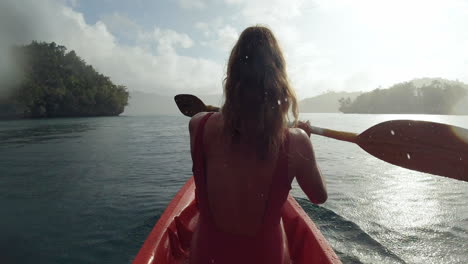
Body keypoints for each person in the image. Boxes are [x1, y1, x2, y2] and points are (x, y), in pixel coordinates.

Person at [188, 26, 327, 264]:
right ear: (278, 79)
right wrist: (303, 146)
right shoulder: (296, 142)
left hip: (206, 256)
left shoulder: (198, 125)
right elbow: (318, 196)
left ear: (232, 76)